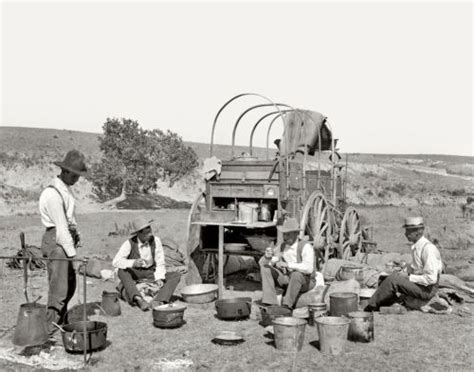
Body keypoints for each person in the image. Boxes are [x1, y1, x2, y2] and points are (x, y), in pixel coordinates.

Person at [39, 150, 87, 334]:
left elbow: (70, 220)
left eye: (78, 176)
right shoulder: (52, 194)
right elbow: (61, 228)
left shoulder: (65, 190)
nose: (77, 179)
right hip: (56, 242)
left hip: (65, 240)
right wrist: (73, 256)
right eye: (74, 175)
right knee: (59, 288)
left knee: (69, 284)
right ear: (65, 172)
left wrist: (77, 237)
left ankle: (61, 320)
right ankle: (48, 327)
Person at [365, 216, 443, 311]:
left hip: (427, 290)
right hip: (422, 285)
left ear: (418, 231)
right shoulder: (417, 247)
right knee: (385, 277)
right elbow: (416, 268)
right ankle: (385, 303)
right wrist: (403, 267)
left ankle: (369, 307)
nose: (405, 234)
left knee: (393, 280)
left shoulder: (428, 249)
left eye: (408, 231)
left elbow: (431, 279)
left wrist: (408, 277)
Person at [113, 216, 181, 311]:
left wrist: (159, 278)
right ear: (139, 234)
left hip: (150, 273)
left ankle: (159, 300)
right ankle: (138, 298)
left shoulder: (156, 241)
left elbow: (160, 261)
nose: (150, 235)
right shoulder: (129, 243)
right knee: (121, 271)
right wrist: (133, 263)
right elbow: (116, 261)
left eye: (150, 232)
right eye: (146, 233)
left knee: (175, 275)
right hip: (135, 274)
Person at [259, 218, 316, 309]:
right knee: (265, 268)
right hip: (287, 278)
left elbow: (309, 269)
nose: (285, 237)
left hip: (305, 281)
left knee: (296, 275)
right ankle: (270, 303)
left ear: (296, 234)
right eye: (284, 234)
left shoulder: (305, 247)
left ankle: (286, 306)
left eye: (288, 234)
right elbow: (263, 263)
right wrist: (267, 257)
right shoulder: (283, 246)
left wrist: (288, 265)